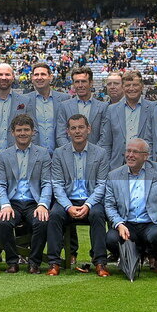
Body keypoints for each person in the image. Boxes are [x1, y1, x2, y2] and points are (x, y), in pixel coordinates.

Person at [103, 138, 157, 274]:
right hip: (127, 223)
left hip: (153, 222)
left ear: (146, 156)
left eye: (135, 152)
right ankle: (134, 256)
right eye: (128, 151)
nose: (130, 155)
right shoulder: (114, 175)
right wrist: (119, 224)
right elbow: (109, 205)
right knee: (111, 238)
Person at [47, 114, 111, 276]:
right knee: (54, 214)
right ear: (67, 132)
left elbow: (101, 185)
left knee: (98, 214)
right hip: (67, 200)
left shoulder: (100, 153)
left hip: (91, 199)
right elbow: (57, 185)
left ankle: (100, 262)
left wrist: (88, 205)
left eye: (81, 127)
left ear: (88, 129)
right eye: (73, 128)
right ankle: (54, 262)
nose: (77, 131)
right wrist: (68, 206)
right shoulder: (59, 153)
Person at [0, 114, 52, 274]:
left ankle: (34, 262)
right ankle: (12, 262)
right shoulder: (3, 155)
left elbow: (47, 183)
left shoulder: (43, 153)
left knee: (42, 222)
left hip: (34, 201)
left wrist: (42, 204)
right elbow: (0, 184)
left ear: (33, 132)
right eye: (19, 130)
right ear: (12, 132)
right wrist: (5, 205)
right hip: (12, 202)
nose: (23, 133)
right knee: (4, 222)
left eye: (26, 130)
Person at [101, 70, 155, 170]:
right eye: (128, 85)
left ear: (142, 86)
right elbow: (106, 143)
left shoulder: (153, 108)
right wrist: (107, 166)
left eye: (135, 85)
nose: (131, 88)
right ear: (123, 87)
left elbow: (153, 140)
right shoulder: (111, 110)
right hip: (117, 165)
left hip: (144, 165)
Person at [20, 62, 69, 152]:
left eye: (43, 74)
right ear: (32, 78)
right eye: (36, 75)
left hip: (59, 153)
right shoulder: (25, 100)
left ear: (50, 77)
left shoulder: (64, 99)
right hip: (33, 154)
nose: (39, 78)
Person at [56, 67, 107, 147]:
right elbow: (61, 136)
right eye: (77, 82)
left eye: (83, 81)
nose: (80, 85)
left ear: (91, 83)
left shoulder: (103, 107)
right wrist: (70, 153)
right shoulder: (64, 106)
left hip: (95, 156)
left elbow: (104, 138)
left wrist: (95, 154)